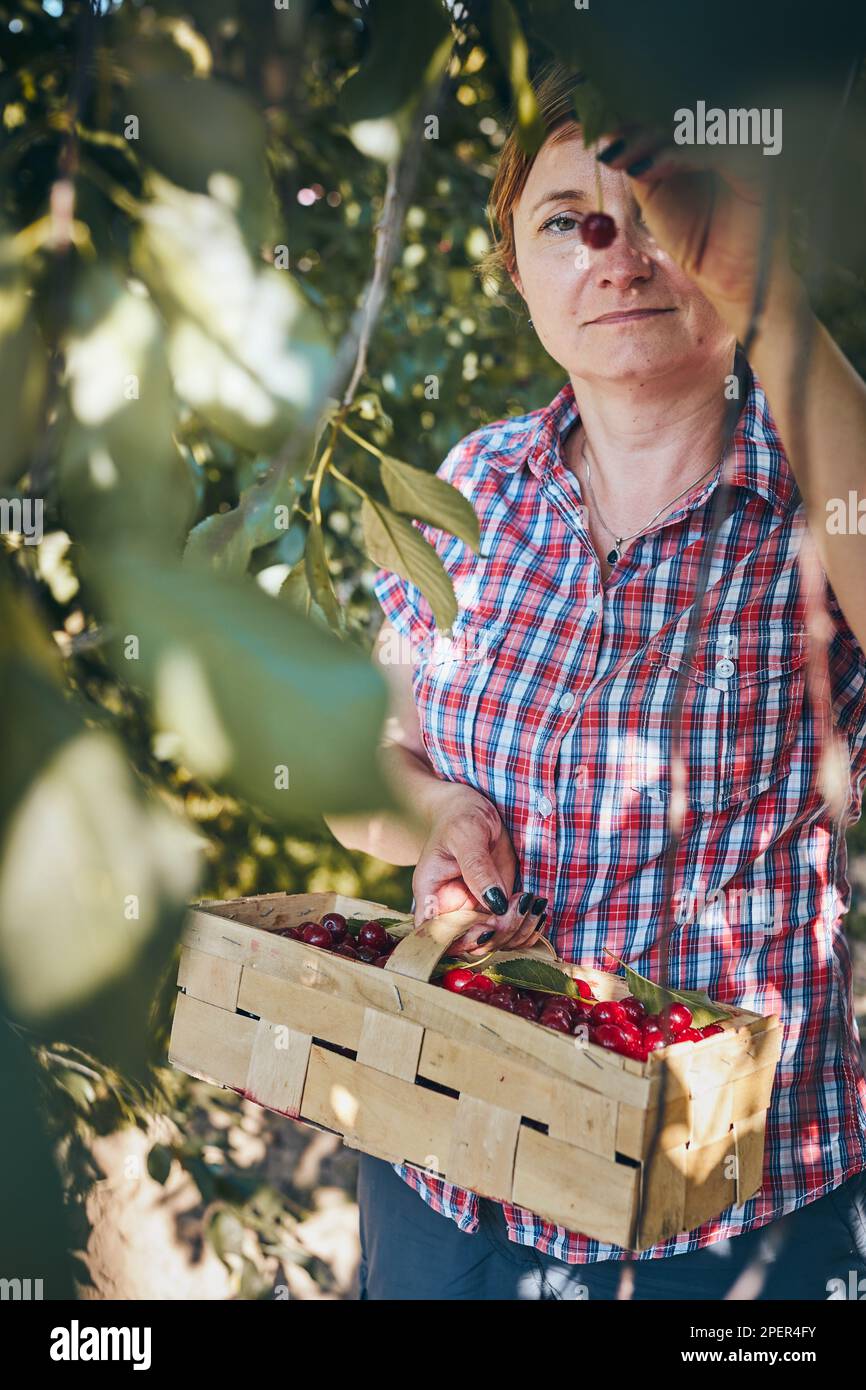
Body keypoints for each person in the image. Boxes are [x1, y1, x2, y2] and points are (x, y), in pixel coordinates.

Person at [326, 61, 866, 1299]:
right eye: (568, 222)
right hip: (448, 1166)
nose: (617, 256)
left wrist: (767, 299)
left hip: (728, 1213)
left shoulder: (812, 487)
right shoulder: (469, 489)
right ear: (513, 263)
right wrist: (434, 815)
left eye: (663, 217)